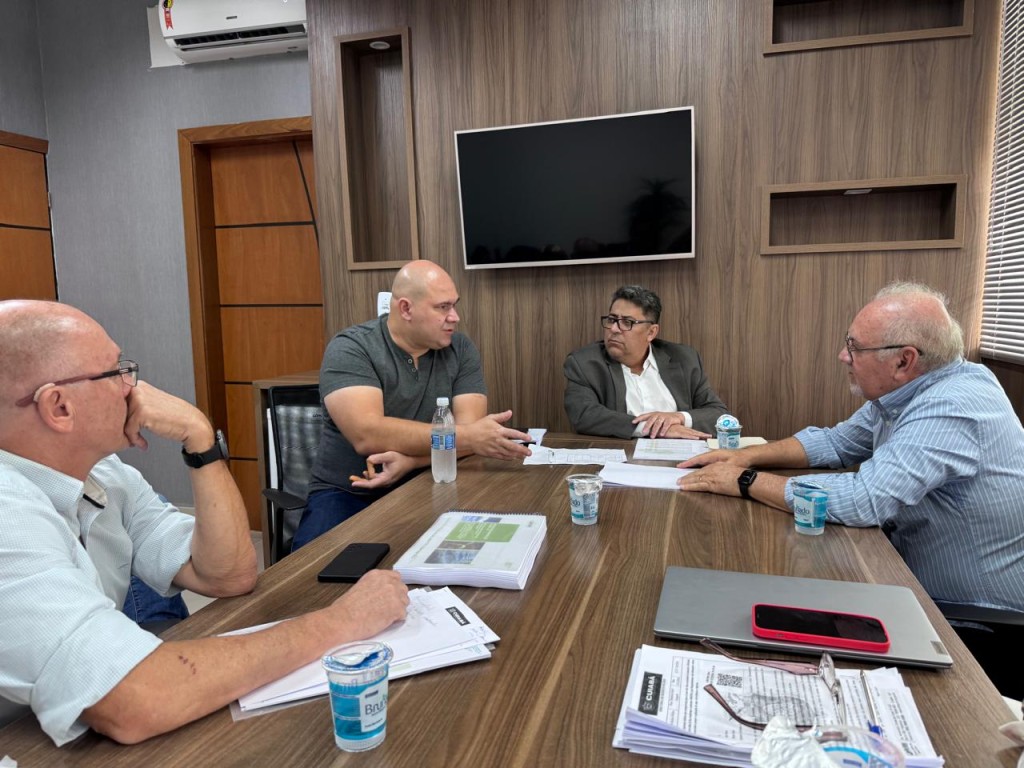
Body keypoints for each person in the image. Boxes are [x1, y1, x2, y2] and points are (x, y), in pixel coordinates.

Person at [0, 300, 409, 746]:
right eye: (116, 372)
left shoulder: (107, 475)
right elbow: (133, 699)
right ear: (59, 407)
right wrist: (343, 622)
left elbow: (225, 575)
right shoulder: (8, 514)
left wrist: (200, 439)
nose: (135, 387)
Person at [677, 283, 1024, 694]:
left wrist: (745, 482)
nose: (843, 356)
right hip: (907, 581)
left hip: (972, 622)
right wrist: (743, 457)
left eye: (855, 347)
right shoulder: (909, 390)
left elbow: (864, 500)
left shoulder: (952, 404)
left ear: (904, 360)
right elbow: (837, 443)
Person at [292, 260, 532, 550]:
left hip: (431, 480)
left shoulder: (460, 349)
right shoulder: (352, 347)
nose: (455, 317)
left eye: (454, 305)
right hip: (348, 492)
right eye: (443, 307)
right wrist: (468, 436)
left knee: (477, 555)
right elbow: (368, 434)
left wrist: (411, 463)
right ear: (406, 308)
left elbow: (469, 442)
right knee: (315, 571)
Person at [563, 285, 728, 439]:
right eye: (612, 320)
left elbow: (719, 415)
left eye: (627, 322)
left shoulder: (684, 359)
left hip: (682, 455)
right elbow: (585, 415)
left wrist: (679, 418)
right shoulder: (584, 363)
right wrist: (656, 428)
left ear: (651, 332)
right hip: (621, 455)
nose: (614, 329)